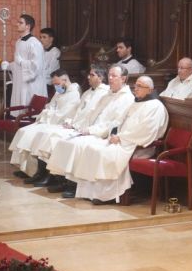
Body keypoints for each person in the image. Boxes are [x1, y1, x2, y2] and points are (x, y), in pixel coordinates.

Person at [72, 76, 169, 204]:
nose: (136, 89)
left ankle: (109, 195)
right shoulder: (136, 102)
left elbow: (145, 131)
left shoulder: (155, 106)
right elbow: (120, 121)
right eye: (136, 85)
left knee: (105, 153)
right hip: (122, 141)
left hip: (138, 146)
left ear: (150, 90)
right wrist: (114, 133)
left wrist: (121, 138)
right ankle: (91, 192)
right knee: (91, 148)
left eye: (140, 86)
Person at [45, 64, 135, 196]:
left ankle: (74, 185)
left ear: (123, 78)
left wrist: (91, 130)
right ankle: (63, 180)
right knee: (64, 142)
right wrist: (81, 127)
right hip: (91, 129)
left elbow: (114, 123)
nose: (110, 78)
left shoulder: (127, 98)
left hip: (103, 135)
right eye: (109, 75)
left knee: (76, 145)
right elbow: (92, 114)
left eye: (114, 76)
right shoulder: (108, 95)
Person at [9, 69, 81, 182]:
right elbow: (49, 106)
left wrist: (48, 113)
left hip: (59, 124)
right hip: (49, 121)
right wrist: (47, 113)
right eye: (54, 84)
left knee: (40, 136)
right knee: (24, 131)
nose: (56, 87)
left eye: (57, 84)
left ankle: (41, 173)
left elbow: (62, 114)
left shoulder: (74, 94)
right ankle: (27, 169)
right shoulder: (59, 92)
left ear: (65, 80)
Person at [1, 14, 47, 111]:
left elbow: (36, 66)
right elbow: (18, 64)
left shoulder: (34, 43)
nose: (17, 24)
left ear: (28, 26)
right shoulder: (18, 42)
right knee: (18, 110)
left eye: (20, 22)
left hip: (30, 84)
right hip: (20, 82)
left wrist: (21, 62)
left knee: (28, 110)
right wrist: (9, 66)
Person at [39, 27, 61, 97]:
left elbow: (51, 70)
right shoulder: (41, 50)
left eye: (44, 37)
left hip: (48, 81)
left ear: (51, 39)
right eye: (40, 37)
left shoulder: (55, 52)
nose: (41, 39)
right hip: (40, 78)